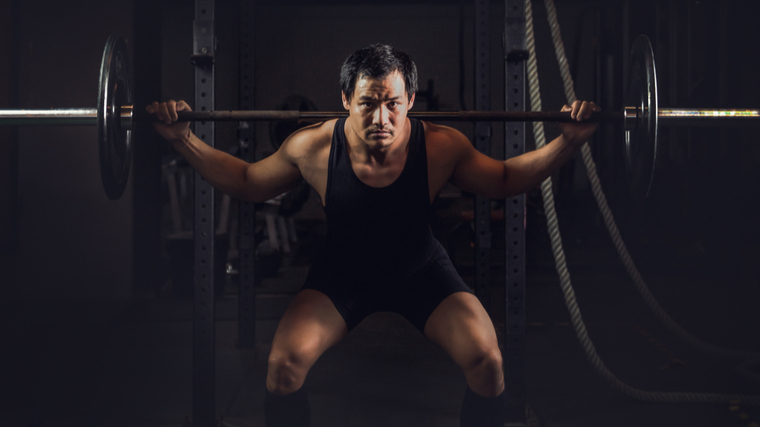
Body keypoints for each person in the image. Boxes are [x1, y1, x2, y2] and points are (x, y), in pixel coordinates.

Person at [147, 44, 599, 427]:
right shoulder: (314, 147)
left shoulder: (440, 146)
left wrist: (569, 143)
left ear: (410, 100)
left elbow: (502, 179)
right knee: (283, 367)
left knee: (488, 362)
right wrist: (183, 140)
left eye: (393, 103)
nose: (381, 117)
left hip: (420, 272)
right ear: (346, 99)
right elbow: (247, 181)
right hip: (342, 276)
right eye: (367, 103)